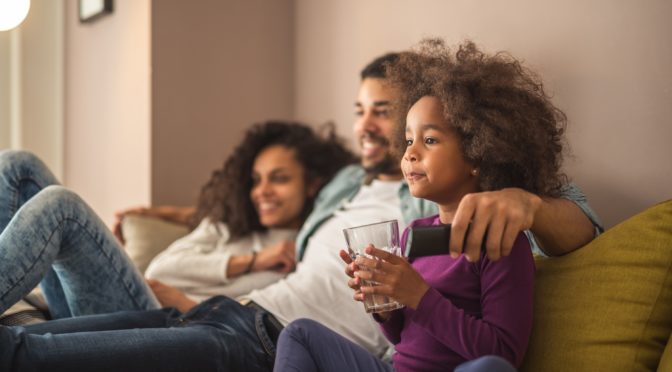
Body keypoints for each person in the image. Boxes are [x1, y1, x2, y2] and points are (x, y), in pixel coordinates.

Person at [0, 45, 602, 371]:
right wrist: (177, 214)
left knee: (25, 338)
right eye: (362, 109)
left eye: (386, 111)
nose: (371, 126)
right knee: (21, 168)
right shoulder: (345, 184)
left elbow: (567, 216)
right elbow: (253, 204)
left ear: (475, 140)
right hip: (225, 313)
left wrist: (521, 201)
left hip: (260, 341)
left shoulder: (466, 210)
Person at [273, 38, 564, 372]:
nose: (409, 153)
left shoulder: (501, 243)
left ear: (478, 153)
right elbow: (403, 339)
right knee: (298, 333)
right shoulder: (415, 233)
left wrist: (420, 296)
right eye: (408, 140)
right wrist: (383, 303)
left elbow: (502, 353)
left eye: (429, 140)